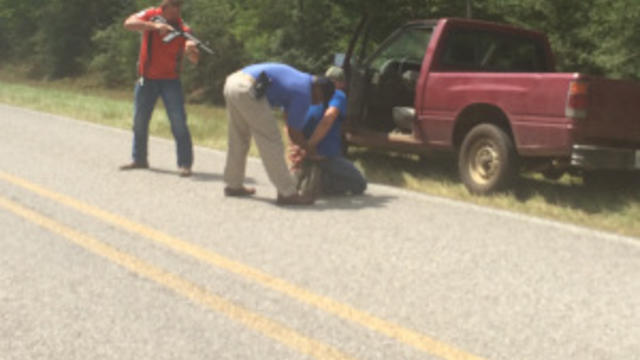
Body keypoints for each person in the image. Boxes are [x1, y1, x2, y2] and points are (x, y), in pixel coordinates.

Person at [222, 63, 335, 205]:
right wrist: (308, 149)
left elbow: (289, 120)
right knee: (271, 141)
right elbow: (294, 132)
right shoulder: (304, 92)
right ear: (318, 88)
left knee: (239, 138)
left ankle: (233, 185)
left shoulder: (300, 80)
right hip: (247, 88)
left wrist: (297, 146)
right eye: (319, 99)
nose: (316, 102)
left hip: (233, 82)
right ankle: (287, 193)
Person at [119, 0, 199, 177]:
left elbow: (194, 59)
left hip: (171, 81)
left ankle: (185, 164)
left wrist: (191, 50)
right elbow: (128, 23)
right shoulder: (150, 14)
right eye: (174, 5)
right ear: (164, 6)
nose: (177, 9)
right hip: (145, 79)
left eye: (179, 6)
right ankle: (139, 159)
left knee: (178, 122)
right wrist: (154, 26)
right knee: (139, 121)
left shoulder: (183, 28)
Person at [291, 66, 367, 196]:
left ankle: (305, 172)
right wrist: (311, 146)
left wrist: (299, 147)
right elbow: (329, 117)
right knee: (360, 184)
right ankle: (322, 182)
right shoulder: (339, 95)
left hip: (302, 151)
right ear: (342, 83)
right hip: (325, 155)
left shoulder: (311, 94)